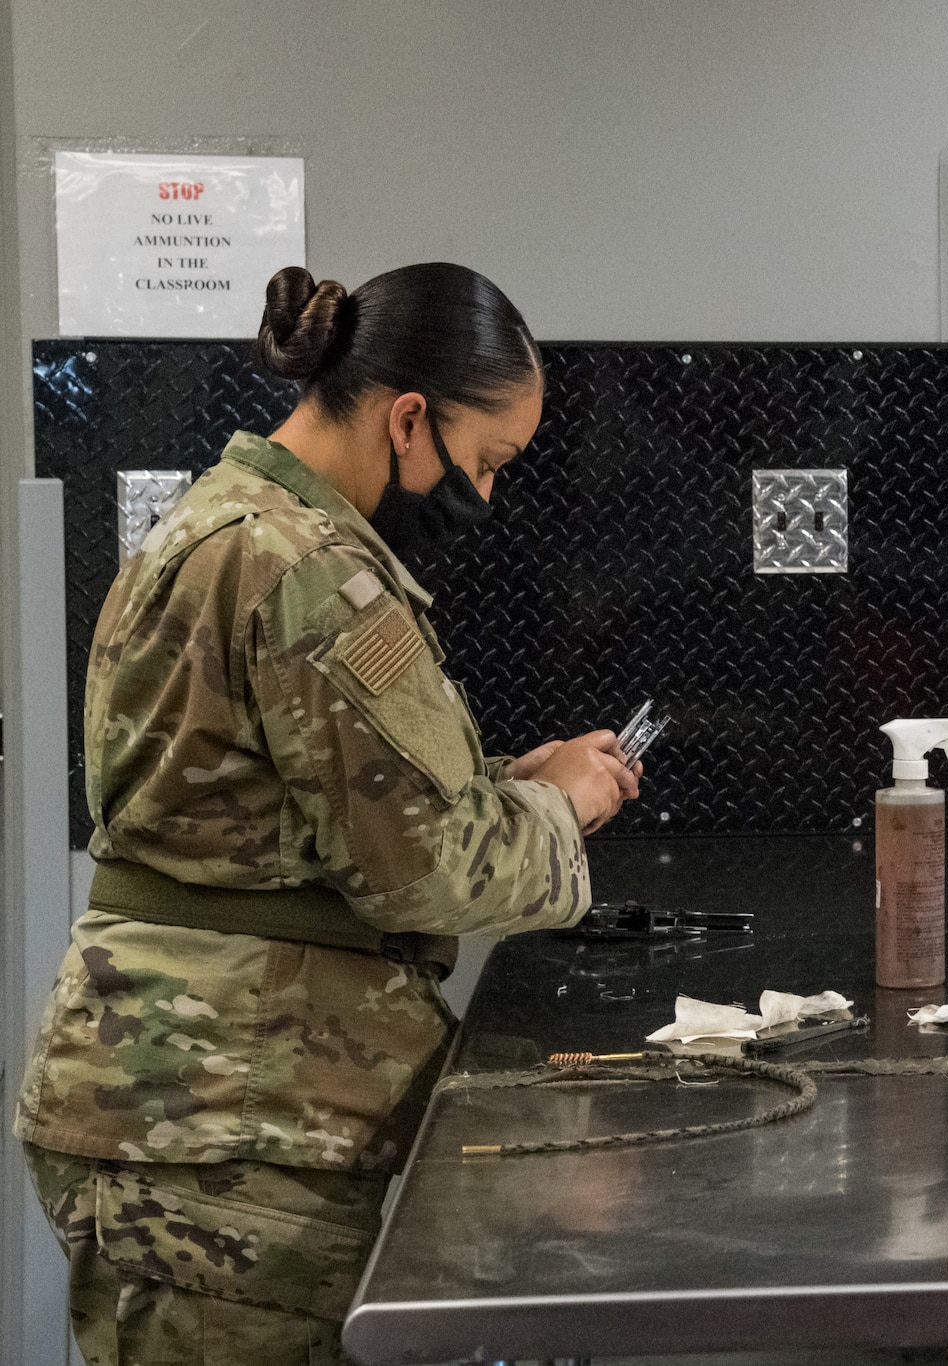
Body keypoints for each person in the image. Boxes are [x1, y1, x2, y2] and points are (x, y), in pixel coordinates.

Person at [15, 262, 641, 1364]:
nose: (484, 496)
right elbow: (424, 869)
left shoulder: (218, 519)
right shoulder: (310, 568)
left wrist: (500, 780)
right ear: (409, 418)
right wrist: (555, 806)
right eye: (484, 461)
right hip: (228, 1125)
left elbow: (264, 802)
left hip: (191, 1100)